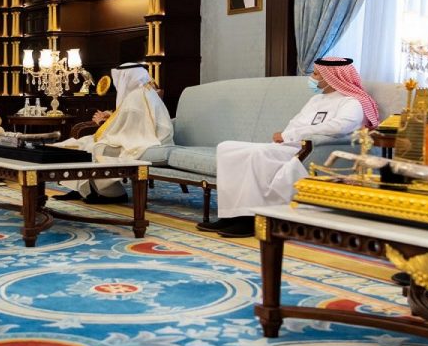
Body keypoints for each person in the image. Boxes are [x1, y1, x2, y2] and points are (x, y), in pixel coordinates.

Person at [198, 57, 379, 238]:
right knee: (227, 148)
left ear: (332, 77)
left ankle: (250, 219)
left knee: (257, 154)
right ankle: (230, 215)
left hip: (308, 151)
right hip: (287, 146)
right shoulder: (316, 100)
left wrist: (289, 136)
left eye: (316, 74)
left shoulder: (352, 102)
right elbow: (295, 123)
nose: (312, 77)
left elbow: (340, 127)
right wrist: (286, 136)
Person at [53, 63, 174, 203]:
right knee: (79, 143)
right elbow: (129, 123)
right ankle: (82, 189)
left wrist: (101, 123)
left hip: (146, 141)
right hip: (143, 137)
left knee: (94, 147)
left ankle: (113, 194)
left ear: (126, 77)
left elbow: (128, 129)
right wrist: (110, 116)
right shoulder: (143, 92)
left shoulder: (136, 97)